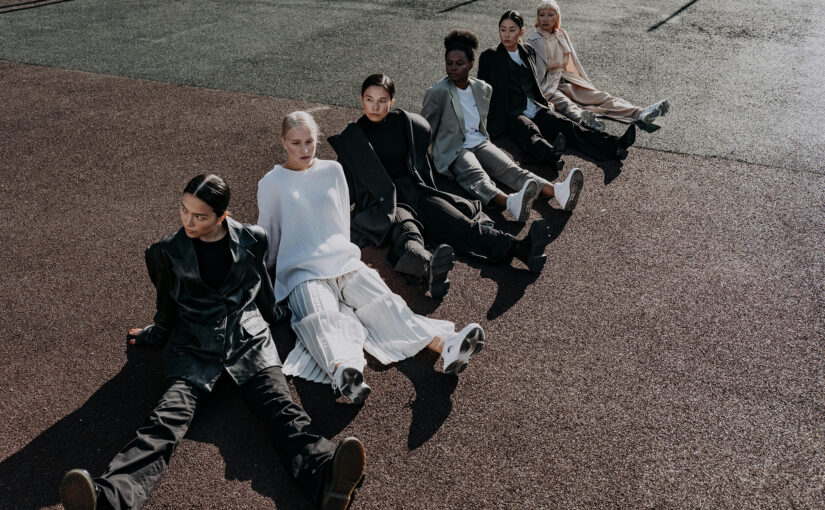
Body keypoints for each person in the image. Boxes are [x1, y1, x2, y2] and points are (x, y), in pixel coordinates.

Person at [58, 174, 365, 510]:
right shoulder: (164, 252)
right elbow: (166, 304)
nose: (188, 221)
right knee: (164, 422)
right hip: (192, 347)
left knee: (282, 409)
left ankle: (327, 477)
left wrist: (276, 315)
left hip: (249, 341)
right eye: (184, 210)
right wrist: (155, 334)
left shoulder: (252, 238)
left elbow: (261, 285)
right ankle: (108, 499)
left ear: (222, 215)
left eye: (199, 216)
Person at [256, 111, 486, 405]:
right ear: (283, 142)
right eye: (295, 143)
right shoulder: (272, 183)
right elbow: (269, 233)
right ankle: (343, 370)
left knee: (386, 304)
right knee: (321, 319)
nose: (304, 149)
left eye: (309, 141)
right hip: (301, 272)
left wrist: (347, 254)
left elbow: (341, 220)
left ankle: (447, 346)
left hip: (343, 261)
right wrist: (261, 277)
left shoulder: (333, 171)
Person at [329, 74, 552, 292]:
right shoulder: (352, 140)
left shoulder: (404, 123)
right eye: (369, 99)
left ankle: (521, 249)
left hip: (415, 191)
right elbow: (342, 187)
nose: (375, 107)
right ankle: (428, 269)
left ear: (392, 101)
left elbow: (423, 149)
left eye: (382, 100)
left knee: (459, 223)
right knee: (408, 232)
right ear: (361, 99)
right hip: (385, 203)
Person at [421, 29, 584, 218]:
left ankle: (559, 192)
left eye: (459, 63)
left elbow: (482, 120)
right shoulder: (437, 92)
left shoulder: (482, 88)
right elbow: (425, 128)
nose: (453, 68)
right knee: (477, 176)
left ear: (471, 64)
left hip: (479, 141)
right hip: (455, 149)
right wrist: (422, 161)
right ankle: (511, 203)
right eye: (449, 63)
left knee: (512, 170)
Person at [477, 10, 637, 163]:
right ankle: (550, 154)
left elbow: (533, 82)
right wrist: (481, 120)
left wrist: (544, 102)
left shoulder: (528, 51)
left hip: (535, 107)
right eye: (503, 29)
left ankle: (615, 145)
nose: (506, 34)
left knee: (567, 125)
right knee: (529, 130)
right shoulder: (490, 56)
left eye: (512, 30)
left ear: (522, 32)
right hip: (511, 113)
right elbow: (481, 89)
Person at [525, 0, 669, 132]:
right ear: (537, 17)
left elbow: (573, 61)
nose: (545, 19)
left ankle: (641, 113)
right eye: (541, 15)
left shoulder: (561, 34)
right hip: (547, 84)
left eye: (550, 15)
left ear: (557, 17)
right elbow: (529, 70)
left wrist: (583, 81)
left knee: (601, 97)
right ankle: (585, 120)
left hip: (567, 78)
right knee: (566, 104)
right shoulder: (534, 39)